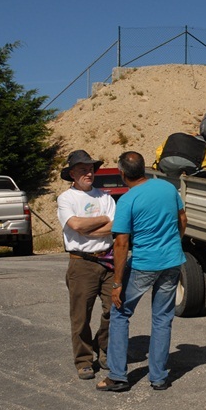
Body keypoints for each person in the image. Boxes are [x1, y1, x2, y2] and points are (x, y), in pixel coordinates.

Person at [97, 151, 187, 392]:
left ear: (122, 173)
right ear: (144, 169)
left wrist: (116, 284)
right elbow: (183, 220)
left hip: (144, 264)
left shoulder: (127, 200)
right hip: (171, 262)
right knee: (162, 318)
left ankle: (117, 376)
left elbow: (121, 243)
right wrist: (172, 244)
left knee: (120, 313)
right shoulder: (167, 188)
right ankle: (158, 377)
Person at [56, 150, 116, 380]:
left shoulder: (105, 197)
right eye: (82, 169)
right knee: (80, 316)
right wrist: (102, 220)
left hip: (108, 260)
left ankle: (105, 349)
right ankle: (83, 360)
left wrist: (89, 227)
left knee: (114, 310)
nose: (88, 172)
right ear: (72, 173)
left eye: (90, 168)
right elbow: (76, 225)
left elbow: (116, 225)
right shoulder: (66, 199)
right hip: (81, 263)